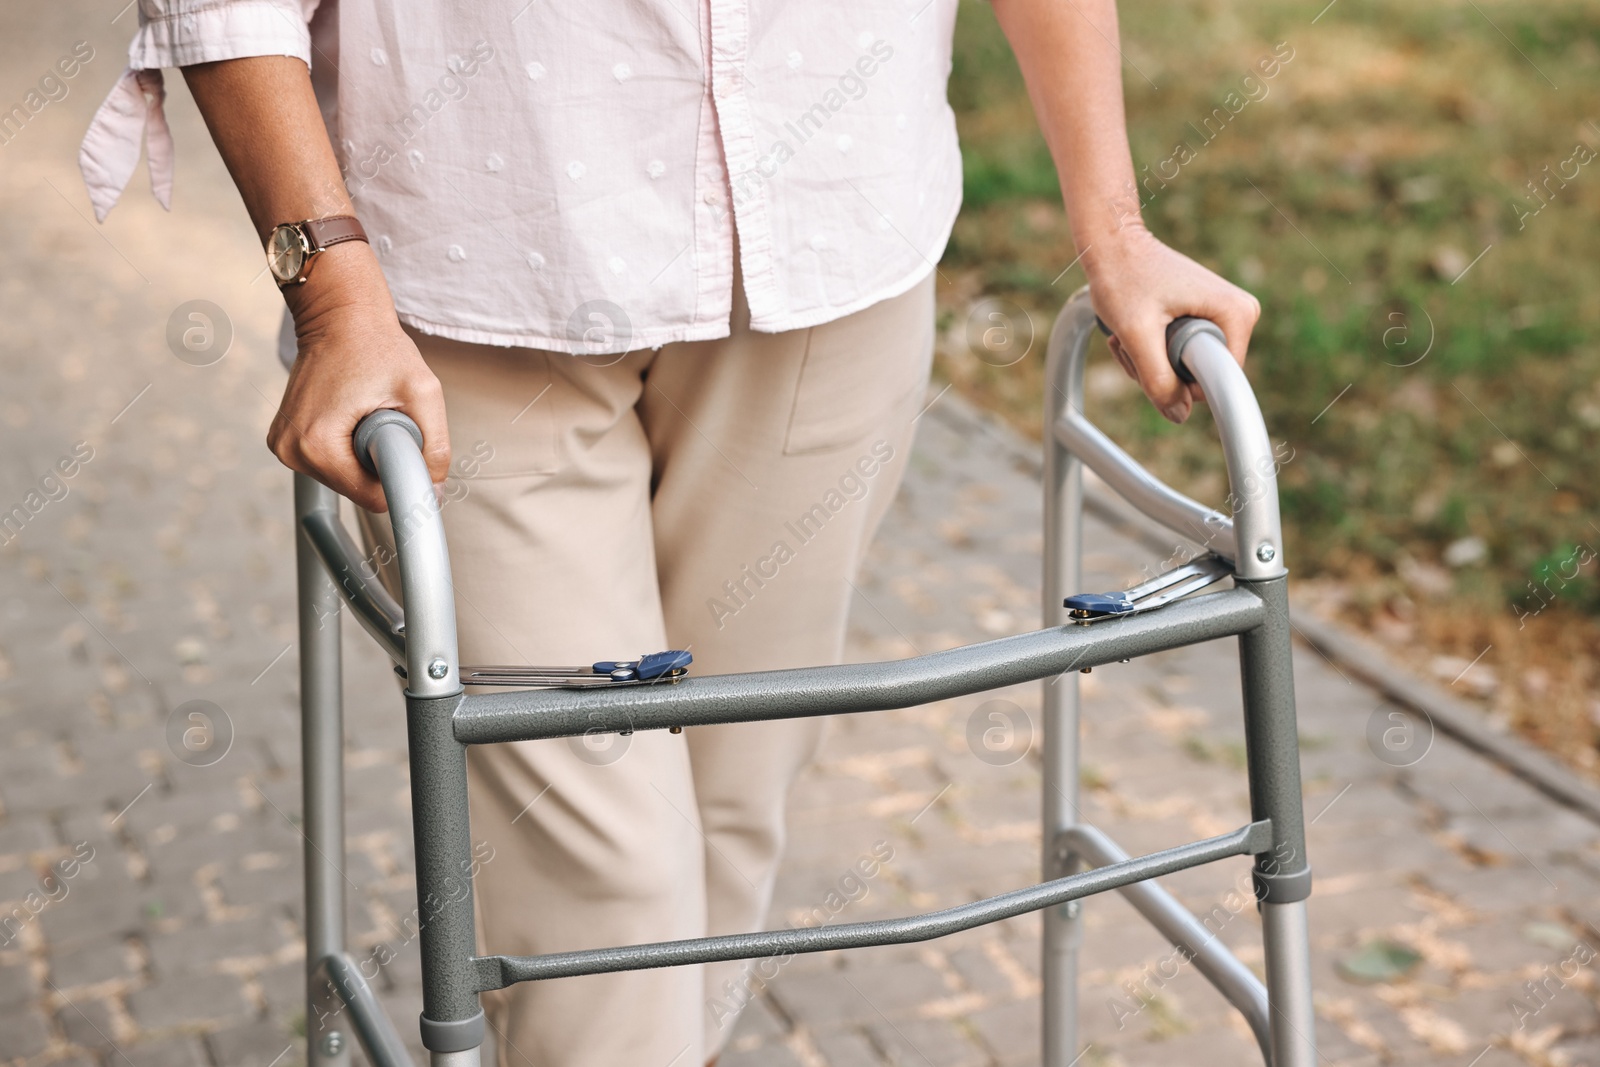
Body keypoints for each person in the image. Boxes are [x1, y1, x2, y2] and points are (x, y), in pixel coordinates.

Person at [81, 2, 1260, 1064]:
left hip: (834, 259)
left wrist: (1114, 229)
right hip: (458, 299)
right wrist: (332, 294)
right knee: (611, 882)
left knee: (731, 806)